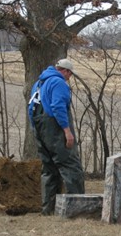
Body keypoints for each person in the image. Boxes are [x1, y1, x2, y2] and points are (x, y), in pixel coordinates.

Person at [28, 58, 85, 215]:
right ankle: (79, 208)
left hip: (39, 128)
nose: (69, 78)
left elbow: (31, 107)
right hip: (55, 128)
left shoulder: (39, 83)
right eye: (70, 74)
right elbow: (58, 106)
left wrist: (36, 129)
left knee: (49, 169)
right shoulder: (58, 83)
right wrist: (67, 131)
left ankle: (48, 209)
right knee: (71, 166)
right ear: (65, 71)